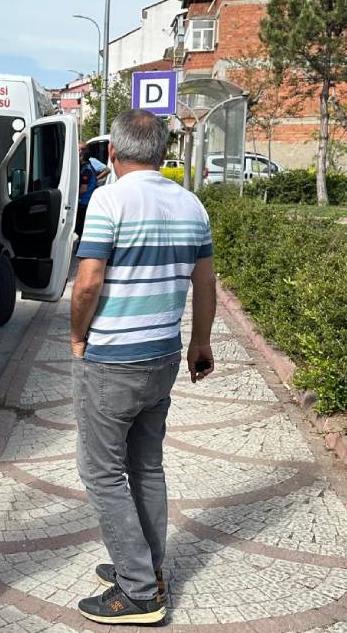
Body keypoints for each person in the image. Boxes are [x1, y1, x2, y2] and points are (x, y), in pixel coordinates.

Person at [68, 109, 217, 625]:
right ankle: (147, 566)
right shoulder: (191, 203)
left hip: (113, 360)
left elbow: (88, 282)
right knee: (145, 466)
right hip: (163, 356)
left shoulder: (109, 199)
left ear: (113, 153)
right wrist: (201, 343)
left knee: (101, 471)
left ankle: (138, 593)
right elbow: (204, 282)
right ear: (162, 154)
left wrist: (77, 335)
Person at [76, 144, 110, 241]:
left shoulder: (87, 168)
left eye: (80, 152)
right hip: (87, 201)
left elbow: (83, 189)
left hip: (84, 202)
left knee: (81, 226)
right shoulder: (87, 166)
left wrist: (71, 196)